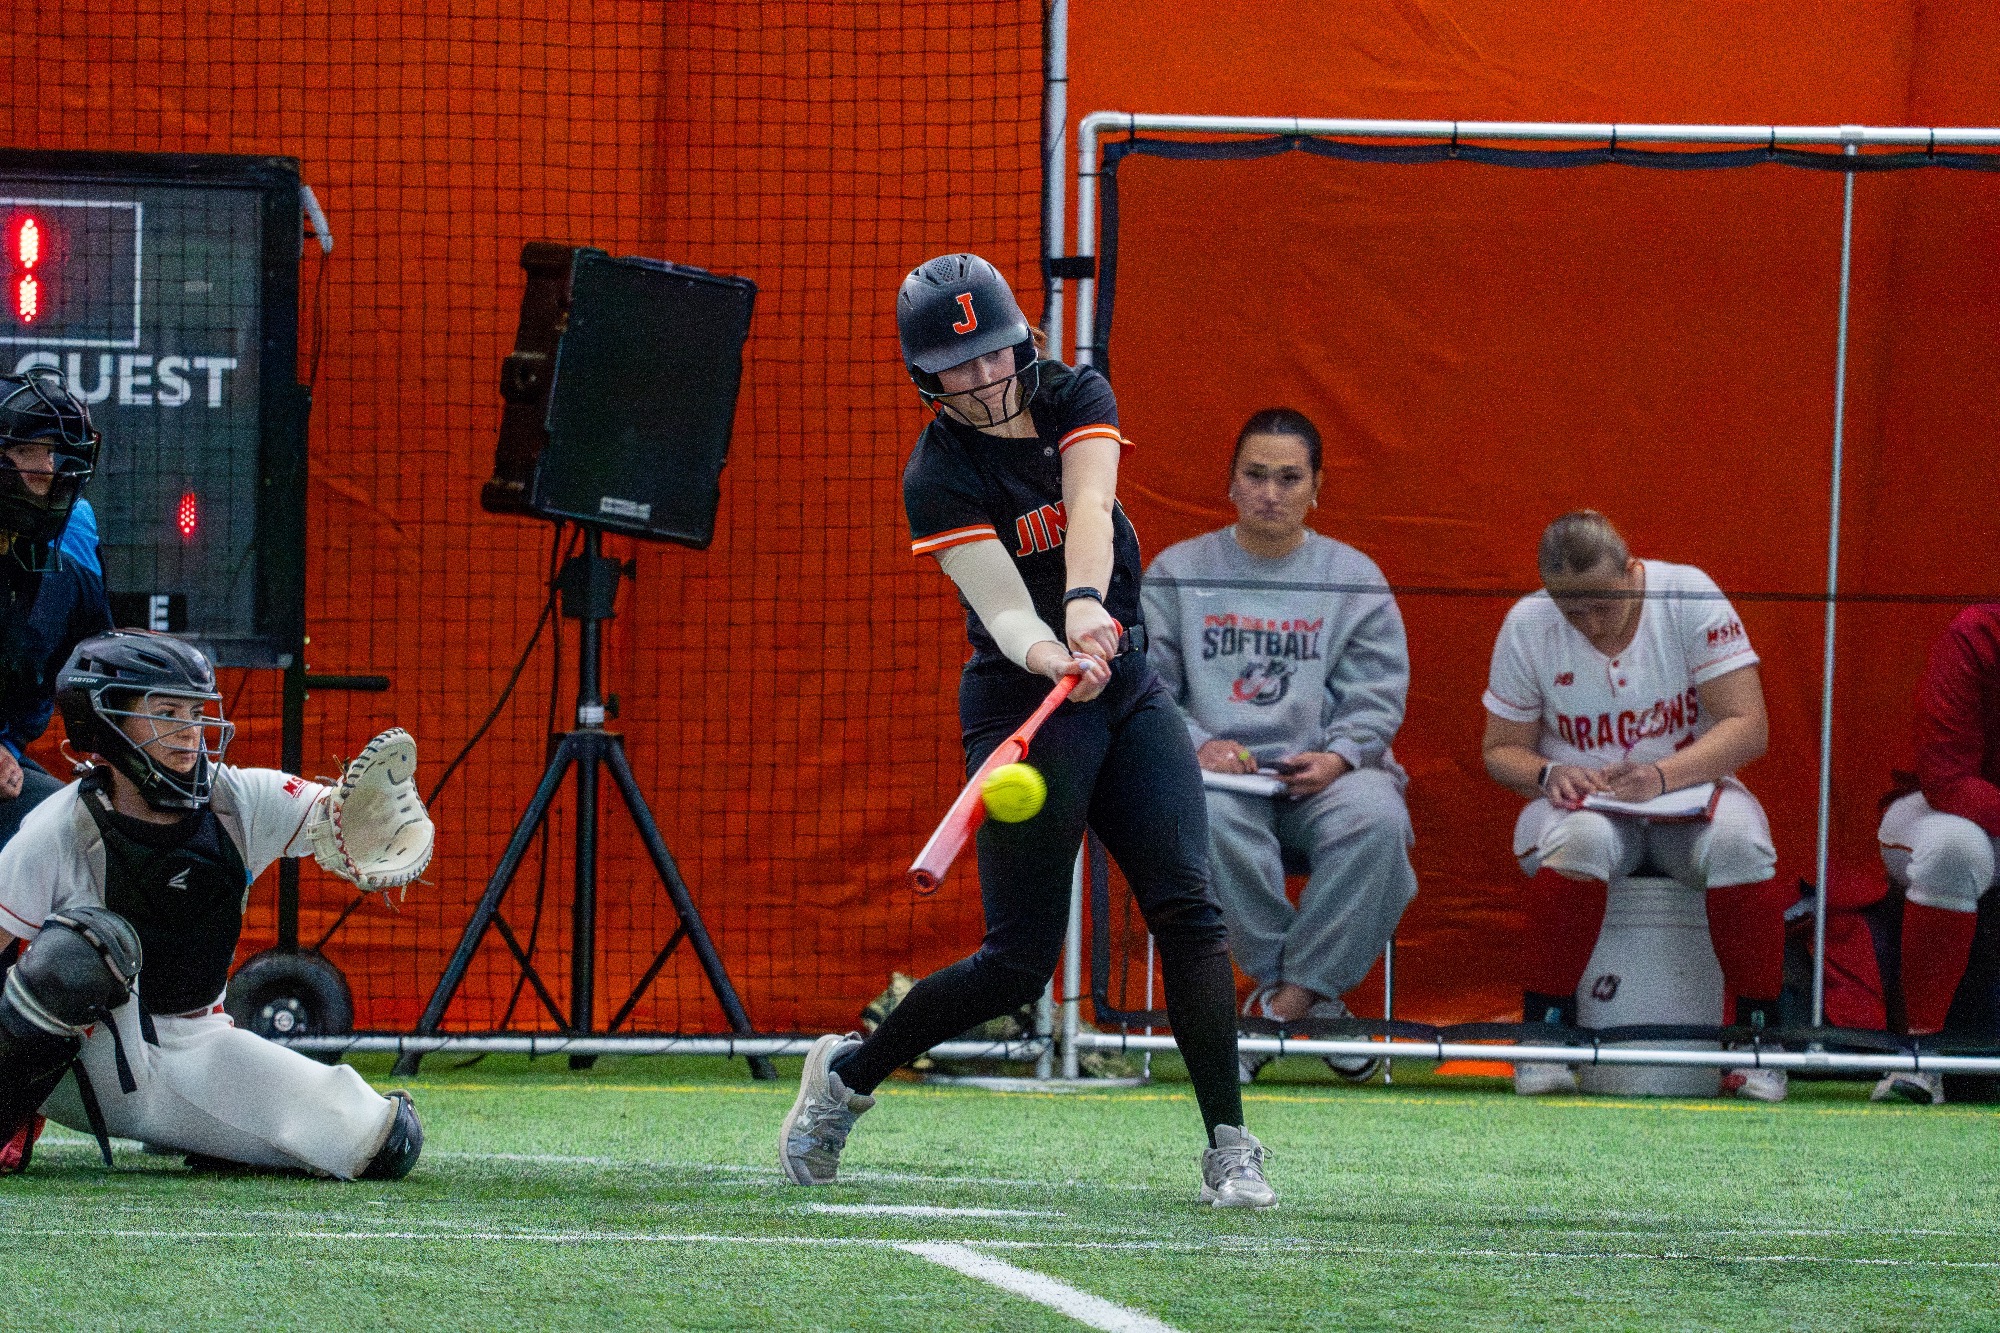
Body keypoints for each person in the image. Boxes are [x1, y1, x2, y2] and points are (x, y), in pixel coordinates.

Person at [778, 254, 1274, 1207]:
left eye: (995, 352)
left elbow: (1089, 503)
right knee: (1017, 962)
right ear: (926, 376)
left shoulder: (1074, 391)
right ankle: (846, 1078)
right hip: (1023, 702)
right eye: (956, 365)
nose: (984, 376)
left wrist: (1088, 607)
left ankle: (1229, 1142)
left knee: (1188, 908)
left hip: (1125, 686)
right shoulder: (939, 473)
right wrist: (1052, 651)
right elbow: (1003, 611)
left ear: (1023, 340)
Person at [0, 630, 424, 1178]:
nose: (190, 730)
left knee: (383, 1139)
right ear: (106, 721)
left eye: (196, 711)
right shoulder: (59, 825)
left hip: (197, 1040)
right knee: (77, 952)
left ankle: (209, 1133)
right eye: (167, 711)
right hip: (84, 1063)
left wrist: (372, 821)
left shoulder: (237, 798)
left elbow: (337, 813)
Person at [1142, 408, 1414, 1084]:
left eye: (1289, 478)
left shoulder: (1352, 577)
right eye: (1255, 475)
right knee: (1198, 814)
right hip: (1217, 775)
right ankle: (1309, 997)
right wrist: (1199, 743)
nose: (1271, 492)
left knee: (1379, 822)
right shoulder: (1178, 572)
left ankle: (1276, 1010)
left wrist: (1342, 754)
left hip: (1326, 770)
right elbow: (1147, 689)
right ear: (1230, 483)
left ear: (1317, 487)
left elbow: (1377, 693)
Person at [1480, 510, 1790, 1100]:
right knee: (1582, 840)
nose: (1593, 624)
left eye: (1605, 604)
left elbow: (1748, 726)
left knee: (1741, 842)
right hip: (1586, 806)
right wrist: (1548, 773)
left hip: (1688, 788)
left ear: (1631, 570)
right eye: (1575, 611)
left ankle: (1757, 1042)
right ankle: (1544, 1036)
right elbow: (1500, 751)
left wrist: (1662, 775)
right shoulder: (1528, 623)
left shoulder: (1687, 594)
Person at [1874, 603, 2000, 1106]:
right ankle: (1920, 1058)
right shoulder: (1978, 635)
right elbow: (1946, 778)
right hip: (1941, 810)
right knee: (1954, 848)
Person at [0, 370, 112, 849]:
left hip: (5, 757)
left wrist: (121, 750)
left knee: (93, 839)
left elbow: (97, 658)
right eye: (26, 451)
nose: (45, 468)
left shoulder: (72, 535)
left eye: (49, 451)